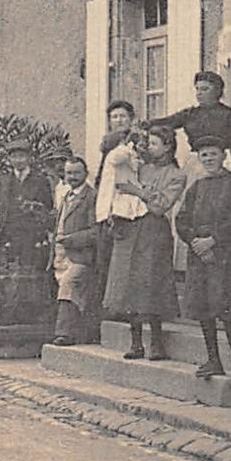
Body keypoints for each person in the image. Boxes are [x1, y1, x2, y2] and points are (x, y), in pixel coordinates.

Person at [102, 125, 186, 361]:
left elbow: (160, 206)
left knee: (151, 285)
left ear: (167, 147)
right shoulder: (140, 167)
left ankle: (156, 342)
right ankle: (136, 341)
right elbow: (120, 188)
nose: (148, 147)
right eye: (148, 143)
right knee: (130, 284)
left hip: (154, 232)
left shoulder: (176, 175)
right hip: (130, 229)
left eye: (154, 144)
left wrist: (137, 190)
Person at [175, 134, 231, 380]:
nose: (209, 159)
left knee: (227, 310)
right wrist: (194, 242)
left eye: (213, 154)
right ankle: (213, 359)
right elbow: (181, 220)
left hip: (225, 257)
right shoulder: (197, 187)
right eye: (204, 155)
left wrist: (213, 241)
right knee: (204, 310)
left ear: (223, 156)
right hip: (199, 258)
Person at [87, 100, 139, 344]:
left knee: (123, 262)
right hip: (105, 207)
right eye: (114, 117)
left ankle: (123, 308)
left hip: (124, 207)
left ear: (131, 119)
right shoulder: (107, 145)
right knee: (104, 261)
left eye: (123, 116)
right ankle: (105, 311)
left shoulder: (135, 143)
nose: (119, 121)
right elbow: (102, 180)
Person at [149, 71, 231, 173]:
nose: (199, 93)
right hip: (196, 163)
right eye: (197, 89)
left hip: (224, 163)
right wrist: (146, 124)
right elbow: (168, 121)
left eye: (204, 89)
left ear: (217, 91)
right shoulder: (190, 114)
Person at [0, 137, 54, 273]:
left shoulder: (40, 181)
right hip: (8, 238)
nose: (18, 160)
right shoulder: (3, 182)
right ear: (9, 159)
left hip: (32, 239)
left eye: (21, 156)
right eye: (14, 157)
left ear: (29, 158)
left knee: (31, 277)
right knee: (6, 277)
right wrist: (3, 223)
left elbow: (47, 209)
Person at [48, 157, 98, 347]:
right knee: (68, 292)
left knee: (69, 286)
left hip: (80, 256)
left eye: (77, 173)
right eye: (69, 173)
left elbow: (96, 231)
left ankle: (64, 333)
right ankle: (82, 332)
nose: (72, 177)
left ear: (85, 174)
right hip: (60, 255)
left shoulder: (91, 197)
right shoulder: (65, 196)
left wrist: (71, 239)